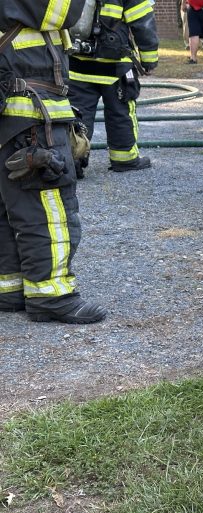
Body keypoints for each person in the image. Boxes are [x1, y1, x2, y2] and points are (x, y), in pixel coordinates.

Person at [0, 0, 107, 324]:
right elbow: (67, 10)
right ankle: (52, 294)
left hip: (13, 117)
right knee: (48, 208)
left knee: (11, 206)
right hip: (29, 116)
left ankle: (11, 288)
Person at [68, 0, 159, 175]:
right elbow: (143, 23)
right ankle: (124, 159)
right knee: (120, 112)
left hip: (79, 65)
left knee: (78, 114)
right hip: (115, 68)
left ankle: (73, 161)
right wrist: (149, 60)